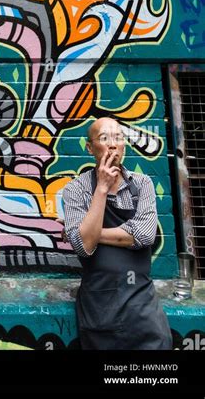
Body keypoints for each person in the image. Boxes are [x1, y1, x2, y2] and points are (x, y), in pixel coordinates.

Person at [62, 117, 172, 350]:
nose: (112, 144)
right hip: (98, 307)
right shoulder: (75, 189)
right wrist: (101, 188)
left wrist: (84, 232)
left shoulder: (142, 184)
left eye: (118, 138)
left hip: (142, 305)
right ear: (90, 148)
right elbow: (84, 247)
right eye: (104, 139)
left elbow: (144, 235)